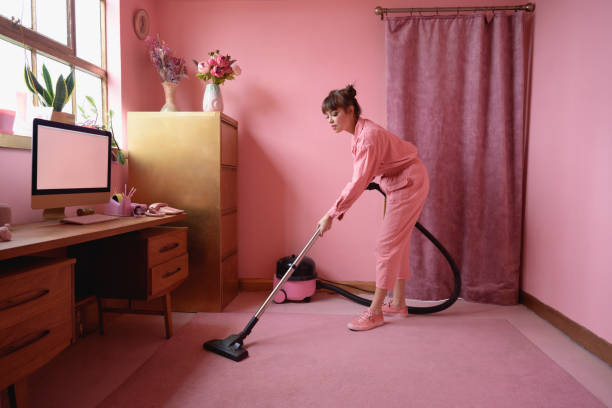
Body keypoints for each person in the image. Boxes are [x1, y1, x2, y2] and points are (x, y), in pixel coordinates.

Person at [318, 84, 429, 331]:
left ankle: (375, 312)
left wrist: (331, 214)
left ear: (350, 110)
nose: (330, 120)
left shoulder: (367, 137)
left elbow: (358, 181)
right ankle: (398, 302)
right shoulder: (359, 135)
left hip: (408, 182)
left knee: (386, 247)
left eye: (335, 114)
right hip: (396, 182)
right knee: (396, 245)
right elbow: (363, 175)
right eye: (327, 116)